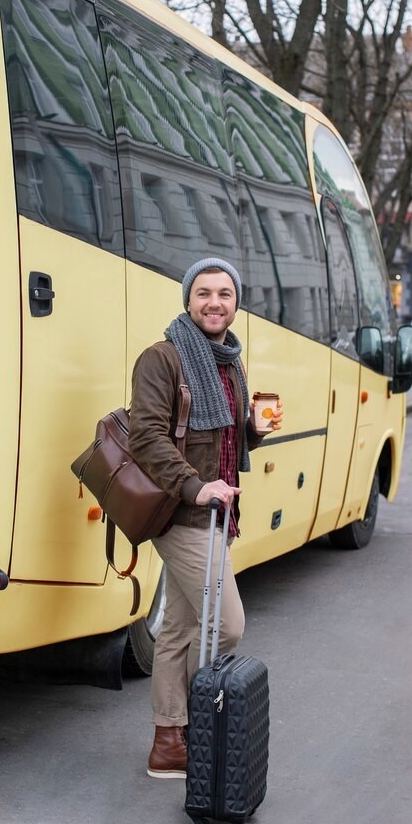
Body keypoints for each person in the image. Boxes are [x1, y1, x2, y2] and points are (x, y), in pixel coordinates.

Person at [128, 258, 283, 779]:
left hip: (218, 513)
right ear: (187, 300)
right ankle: (197, 723)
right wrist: (195, 489)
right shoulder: (162, 358)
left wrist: (255, 429)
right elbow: (145, 437)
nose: (214, 302)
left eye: (224, 293)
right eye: (203, 293)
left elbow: (225, 435)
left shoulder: (229, 362)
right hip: (181, 513)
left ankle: (168, 744)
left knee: (178, 629)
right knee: (226, 625)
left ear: (236, 302)